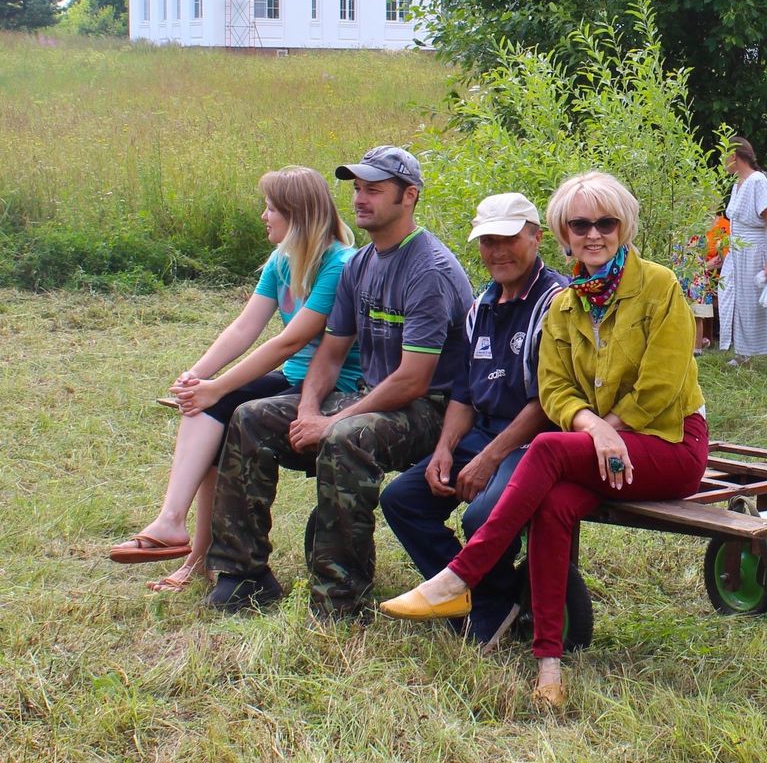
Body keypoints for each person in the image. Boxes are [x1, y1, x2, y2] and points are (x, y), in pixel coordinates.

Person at [380, 172, 708, 707]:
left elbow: (661, 387)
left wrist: (603, 429)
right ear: (563, 232)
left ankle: (460, 578)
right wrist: (593, 427)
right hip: (598, 448)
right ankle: (549, 668)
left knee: (547, 448)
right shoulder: (566, 304)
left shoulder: (658, 285)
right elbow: (555, 390)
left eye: (607, 222)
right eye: (581, 224)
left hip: (666, 444)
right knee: (552, 505)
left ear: (624, 226)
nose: (594, 234)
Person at [204, 146, 473, 615]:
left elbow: (413, 380)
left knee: (349, 437)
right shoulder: (361, 263)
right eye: (356, 189)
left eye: (374, 190)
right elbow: (329, 355)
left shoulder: (429, 269)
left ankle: (339, 596)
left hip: (434, 409)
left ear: (408, 196)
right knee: (250, 418)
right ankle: (244, 575)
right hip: (372, 397)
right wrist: (308, 409)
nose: (360, 199)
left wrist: (332, 421)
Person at [108, 167, 361, 593]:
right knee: (207, 408)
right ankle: (182, 536)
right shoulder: (281, 260)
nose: (264, 216)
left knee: (220, 405)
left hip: (333, 387)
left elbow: (288, 341)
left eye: (271, 208)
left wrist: (218, 387)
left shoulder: (340, 264)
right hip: (293, 377)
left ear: (297, 215)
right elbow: (244, 328)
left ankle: (187, 542)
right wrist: (198, 375)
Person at [380, 193, 567, 646]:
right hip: (483, 431)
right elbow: (463, 393)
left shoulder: (557, 303)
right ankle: (488, 598)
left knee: (482, 515)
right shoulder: (480, 305)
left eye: (508, 238)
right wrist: (444, 450)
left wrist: (487, 459)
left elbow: (548, 403)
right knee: (402, 499)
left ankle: (484, 604)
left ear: (536, 237)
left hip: (535, 441)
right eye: (487, 241)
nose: (497, 251)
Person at [718, 138, 767, 365]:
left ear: (734, 156)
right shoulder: (737, 185)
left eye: (725, 155)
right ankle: (743, 352)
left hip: (759, 252)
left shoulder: (758, 181)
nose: (724, 161)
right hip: (739, 254)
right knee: (740, 300)